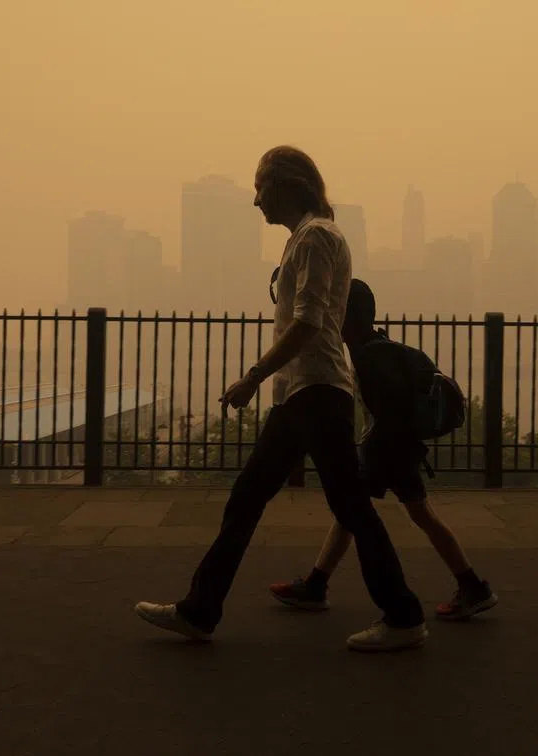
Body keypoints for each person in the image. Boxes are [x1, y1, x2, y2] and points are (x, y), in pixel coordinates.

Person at [134, 146, 428, 652]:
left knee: (348, 505)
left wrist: (252, 376)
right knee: (252, 497)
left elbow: (310, 322)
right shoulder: (310, 237)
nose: (255, 201)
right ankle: (199, 610)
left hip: (316, 391)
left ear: (287, 185)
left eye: (260, 187)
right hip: (303, 394)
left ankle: (403, 615)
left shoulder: (314, 237)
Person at [269, 280, 498, 620]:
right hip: (398, 450)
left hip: (386, 451)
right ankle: (472, 586)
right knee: (414, 515)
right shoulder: (378, 346)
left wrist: (371, 448)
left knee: (356, 514)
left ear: (346, 318)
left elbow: (387, 411)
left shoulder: (368, 357)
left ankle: (325, 587)